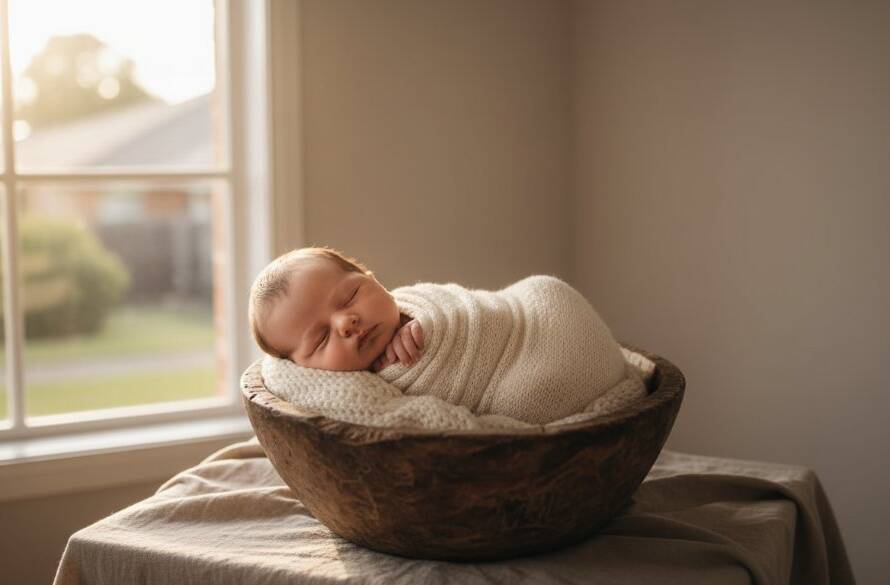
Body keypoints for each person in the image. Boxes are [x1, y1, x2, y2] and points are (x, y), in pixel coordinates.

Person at [249, 247, 424, 372]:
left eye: (350, 297)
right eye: (321, 339)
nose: (345, 323)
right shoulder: (334, 396)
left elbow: (444, 304)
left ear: (374, 280)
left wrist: (420, 324)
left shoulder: (422, 307)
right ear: (299, 367)